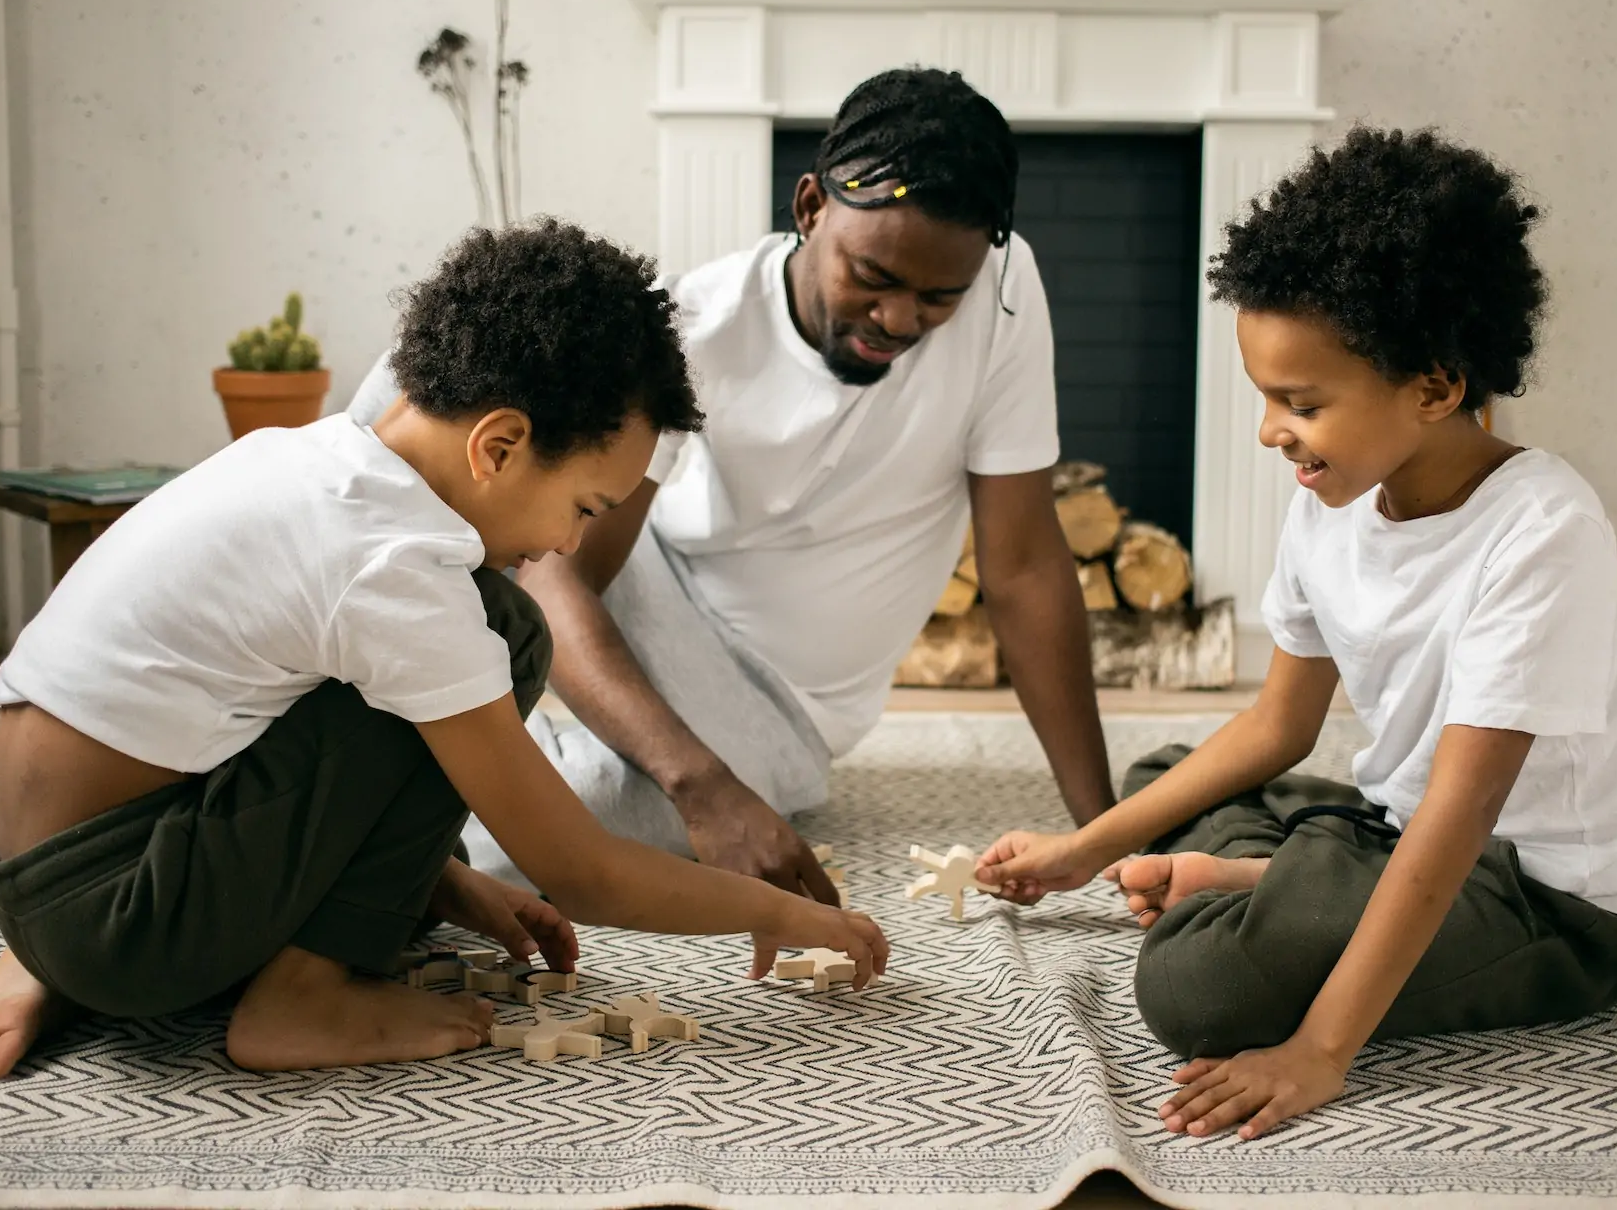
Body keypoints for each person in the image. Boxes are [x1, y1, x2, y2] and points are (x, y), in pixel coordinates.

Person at [0, 219, 888, 1081]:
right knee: (506, 637)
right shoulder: (393, 570)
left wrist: (442, 878)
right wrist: (787, 915)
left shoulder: (320, 463)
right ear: (500, 445)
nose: (567, 544)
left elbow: (230, 729)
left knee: (452, 653)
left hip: (42, 872)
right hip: (117, 915)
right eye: (585, 507)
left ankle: (68, 966)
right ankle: (298, 998)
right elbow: (583, 872)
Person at [974, 127, 1617, 1140]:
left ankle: (1266, 878)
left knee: (1194, 988)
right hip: (1398, 828)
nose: (1270, 431)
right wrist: (1083, 851)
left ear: (1433, 386)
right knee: (1164, 769)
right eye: (1266, 398)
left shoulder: (1543, 531)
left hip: (1540, 897)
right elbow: (1275, 726)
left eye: (1300, 403)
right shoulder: (1335, 497)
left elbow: (1461, 813)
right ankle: (1276, 874)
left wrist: (1319, 1052)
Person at [348, 67, 1118, 899]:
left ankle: (386, 796)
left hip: (782, 707)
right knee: (419, 379)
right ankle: (336, 687)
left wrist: (1105, 829)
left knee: (533, 842)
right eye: (873, 277)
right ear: (811, 207)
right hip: (657, 581)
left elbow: (1025, 569)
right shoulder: (698, 326)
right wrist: (698, 782)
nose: (901, 320)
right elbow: (562, 569)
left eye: (939, 298)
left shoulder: (1003, 295)